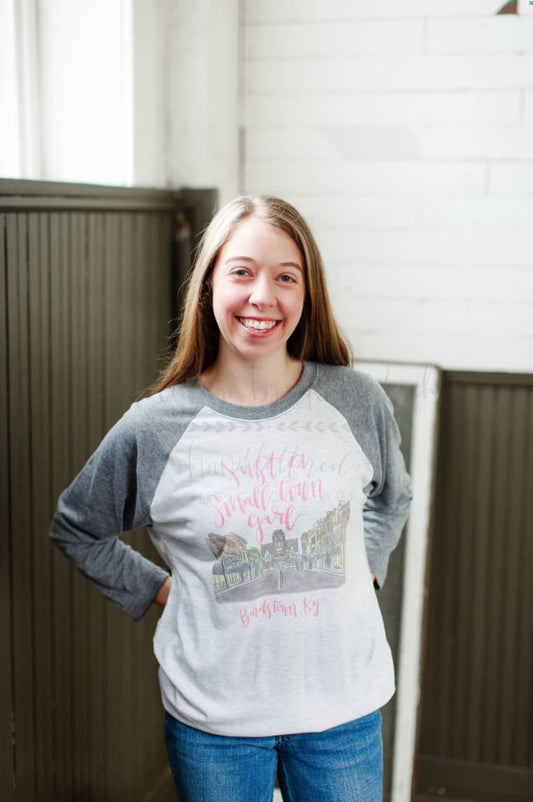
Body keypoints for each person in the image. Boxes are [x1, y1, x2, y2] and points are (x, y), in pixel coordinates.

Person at [49, 195, 412, 802]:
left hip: (343, 712)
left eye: (285, 277)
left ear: (307, 293)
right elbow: (77, 527)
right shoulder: (155, 428)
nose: (262, 296)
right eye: (242, 271)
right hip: (214, 722)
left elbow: (392, 498)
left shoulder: (357, 402)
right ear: (209, 284)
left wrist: (368, 568)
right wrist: (161, 588)